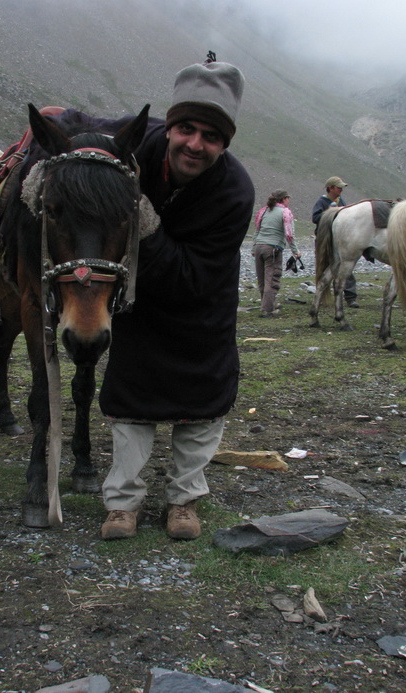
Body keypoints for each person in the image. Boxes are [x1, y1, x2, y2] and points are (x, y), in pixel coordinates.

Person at [93, 58, 255, 540]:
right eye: (186, 128)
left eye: (211, 136)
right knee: (130, 402)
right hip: (138, 306)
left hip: (201, 305)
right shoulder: (137, 144)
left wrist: (142, 218)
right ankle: (122, 503)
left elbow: (190, 274)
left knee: (202, 407)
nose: (195, 144)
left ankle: (184, 500)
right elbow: (87, 132)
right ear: (170, 127)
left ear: (224, 144)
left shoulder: (236, 191)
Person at [312, 176, 359, 308]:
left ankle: (350, 297)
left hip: (340, 239)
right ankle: (322, 295)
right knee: (325, 266)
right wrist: (331, 213)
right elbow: (315, 217)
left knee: (345, 265)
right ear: (331, 188)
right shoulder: (321, 202)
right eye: (339, 187)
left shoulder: (341, 201)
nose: (341, 190)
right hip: (325, 240)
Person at [252, 190, 301, 317]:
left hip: (258, 247)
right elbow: (289, 235)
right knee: (272, 279)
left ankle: (267, 303)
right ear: (284, 199)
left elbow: (256, 231)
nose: (289, 201)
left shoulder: (263, 211)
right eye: (288, 198)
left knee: (262, 279)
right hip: (273, 248)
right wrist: (296, 252)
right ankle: (268, 310)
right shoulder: (285, 212)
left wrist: (253, 249)